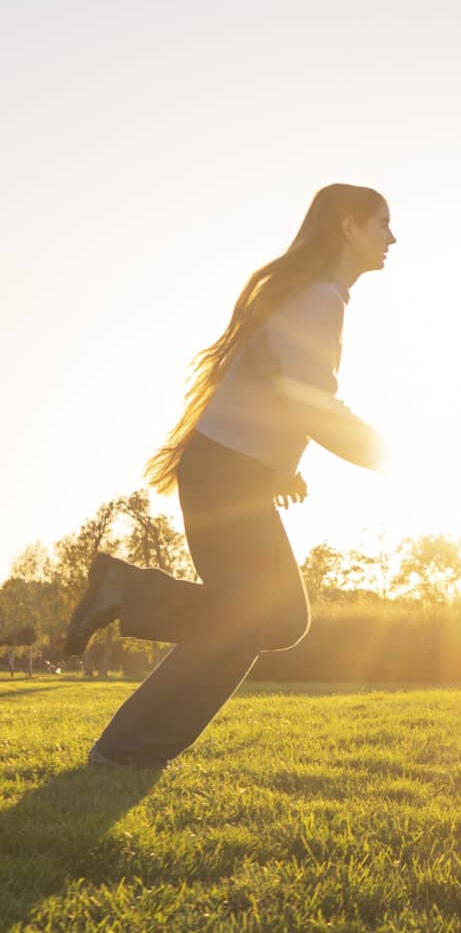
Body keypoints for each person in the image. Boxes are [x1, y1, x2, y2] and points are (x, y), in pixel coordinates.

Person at [69, 184, 393, 766]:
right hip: (225, 474)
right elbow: (312, 403)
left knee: (252, 620)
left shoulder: (315, 295)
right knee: (267, 616)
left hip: (233, 472)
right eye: (382, 224)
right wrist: (392, 456)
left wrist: (279, 468)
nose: (391, 238)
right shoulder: (320, 298)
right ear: (348, 226)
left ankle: (127, 744)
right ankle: (127, 614)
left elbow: (275, 390)